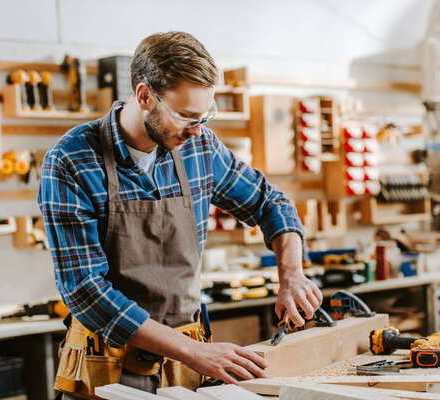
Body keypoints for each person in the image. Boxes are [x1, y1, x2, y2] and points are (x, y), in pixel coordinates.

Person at [38, 31, 322, 395]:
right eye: (186, 116)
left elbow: (272, 203)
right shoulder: (71, 160)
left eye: (204, 116)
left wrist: (292, 274)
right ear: (144, 96)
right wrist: (192, 351)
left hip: (186, 369)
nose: (196, 129)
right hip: (107, 371)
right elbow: (85, 290)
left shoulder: (199, 146)